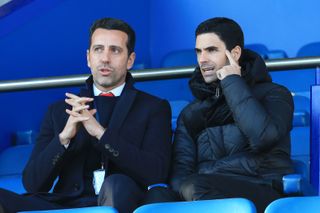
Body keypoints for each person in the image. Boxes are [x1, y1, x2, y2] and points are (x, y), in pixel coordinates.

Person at [0, 17, 172, 213]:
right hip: (64, 203)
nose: (105, 58)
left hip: (121, 199)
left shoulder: (154, 107)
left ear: (130, 60)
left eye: (115, 50)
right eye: (98, 49)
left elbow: (156, 173)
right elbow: (33, 183)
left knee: (116, 184)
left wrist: (101, 134)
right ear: (88, 57)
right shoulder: (59, 110)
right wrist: (64, 139)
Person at [145, 17, 294, 213]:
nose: (202, 59)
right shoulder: (191, 113)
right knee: (156, 198)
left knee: (194, 186)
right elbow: (181, 172)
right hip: (203, 190)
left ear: (235, 53)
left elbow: (262, 138)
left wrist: (232, 81)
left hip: (263, 188)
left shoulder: (274, 94)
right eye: (198, 51)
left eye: (211, 50)